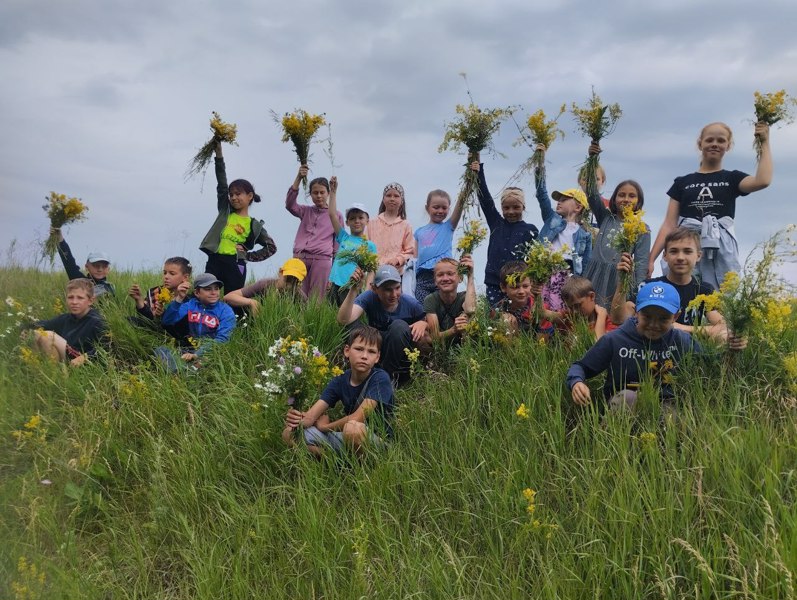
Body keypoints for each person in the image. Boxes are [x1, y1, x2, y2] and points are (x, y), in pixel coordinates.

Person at [566, 281, 746, 413]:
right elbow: (581, 366)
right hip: (624, 405)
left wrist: (732, 350)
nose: (654, 324)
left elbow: (710, 364)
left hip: (666, 404)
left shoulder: (680, 340)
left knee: (675, 416)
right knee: (628, 398)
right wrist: (577, 382)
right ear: (636, 311)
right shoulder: (616, 339)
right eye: (647, 316)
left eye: (663, 318)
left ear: (676, 316)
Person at [648, 122, 773, 289]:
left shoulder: (732, 178)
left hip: (720, 248)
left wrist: (764, 141)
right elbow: (669, 224)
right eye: (709, 140)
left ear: (728, 146)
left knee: (720, 298)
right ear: (700, 144)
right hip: (686, 249)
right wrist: (651, 259)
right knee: (685, 294)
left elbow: (763, 180)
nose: (715, 144)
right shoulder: (682, 182)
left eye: (721, 141)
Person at [282, 326, 394, 456]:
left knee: (352, 428)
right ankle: (336, 461)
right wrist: (296, 419)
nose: (364, 356)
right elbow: (311, 416)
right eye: (359, 349)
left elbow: (357, 418)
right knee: (288, 433)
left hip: (376, 441)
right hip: (347, 438)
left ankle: (363, 468)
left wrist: (325, 427)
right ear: (347, 351)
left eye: (371, 352)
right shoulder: (340, 380)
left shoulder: (380, 378)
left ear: (377, 357)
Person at [610, 228, 727, 340]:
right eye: (674, 251)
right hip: (651, 348)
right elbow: (618, 319)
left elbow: (722, 327)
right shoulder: (647, 286)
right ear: (665, 256)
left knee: (723, 336)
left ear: (698, 256)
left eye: (687, 251)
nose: (680, 257)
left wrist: (680, 328)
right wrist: (622, 281)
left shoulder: (704, 290)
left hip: (686, 352)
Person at [199, 143, 277, 293]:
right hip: (215, 260)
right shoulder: (225, 212)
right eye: (231, 194)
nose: (234, 197)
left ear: (249, 196)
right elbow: (222, 184)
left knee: (233, 300)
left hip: (236, 264)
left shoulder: (254, 225)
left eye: (238, 194)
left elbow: (271, 247)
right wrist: (219, 156)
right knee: (205, 296)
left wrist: (248, 255)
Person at [582, 144, 650, 309]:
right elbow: (591, 192)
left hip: (619, 278)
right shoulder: (605, 217)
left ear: (638, 201)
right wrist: (592, 159)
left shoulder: (642, 228)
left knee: (613, 317)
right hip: (594, 273)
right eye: (621, 195)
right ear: (614, 198)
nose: (626, 199)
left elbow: (641, 263)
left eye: (632, 196)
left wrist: (635, 293)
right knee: (587, 312)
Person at [337, 264, 428, 386]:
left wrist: (423, 323)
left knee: (399, 326)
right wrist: (353, 290)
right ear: (374, 289)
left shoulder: (411, 304)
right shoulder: (369, 297)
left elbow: (429, 325)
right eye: (387, 289)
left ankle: (386, 378)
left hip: (400, 353)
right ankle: (361, 371)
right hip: (376, 346)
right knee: (353, 327)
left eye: (397, 288)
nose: (394, 294)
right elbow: (344, 321)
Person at [470, 156, 539, 307]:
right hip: (495, 283)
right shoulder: (496, 223)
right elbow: (486, 201)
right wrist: (478, 173)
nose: (511, 211)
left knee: (520, 320)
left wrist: (533, 284)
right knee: (496, 320)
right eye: (506, 208)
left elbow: (535, 261)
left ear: (523, 207)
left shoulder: (531, 230)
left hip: (518, 286)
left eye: (516, 207)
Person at [533, 170, 593, 310]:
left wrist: (580, 285)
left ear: (578, 207)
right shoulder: (552, 220)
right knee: (542, 306)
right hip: (546, 271)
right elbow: (542, 195)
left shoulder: (585, 234)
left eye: (564, 199)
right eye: (558, 199)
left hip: (568, 275)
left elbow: (586, 263)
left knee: (562, 308)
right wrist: (540, 166)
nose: (558, 202)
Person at [156, 273, 236, 371]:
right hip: (188, 348)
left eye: (216, 288)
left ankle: (182, 372)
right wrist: (179, 299)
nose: (214, 292)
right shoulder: (190, 305)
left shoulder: (225, 310)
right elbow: (167, 322)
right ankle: (180, 371)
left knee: (205, 361)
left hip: (211, 351)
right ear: (197, 293)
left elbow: (223, 339)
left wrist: (197, 354)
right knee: (161, 350)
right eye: (208, 289)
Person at [285, 165, 343, 299]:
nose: (319, 196)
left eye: (322, 192)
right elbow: (289, 205)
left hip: (321, 260)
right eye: (315, 193)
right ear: (310, 194)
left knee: (316, 298)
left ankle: (314, 320)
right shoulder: (306, 211)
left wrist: (333, 274)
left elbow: (337, 246)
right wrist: (299, 178)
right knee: (297, 296)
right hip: (300, 258)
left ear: (328, 193)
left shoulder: (336, 215)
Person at [24, 278, 107, 367]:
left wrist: (85, 357)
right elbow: (44, 324)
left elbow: (107, 348)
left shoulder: (97, 321)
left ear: (90, 301)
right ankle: (39, 372)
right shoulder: (66, 318)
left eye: (80, 298)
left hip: (82, 362)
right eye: (70, 297)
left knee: (48, 336)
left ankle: (57, 377)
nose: (74, 302)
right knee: (35, 334)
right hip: (67, 359)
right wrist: (25, 329)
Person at [326, 177, 378, 306]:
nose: (357, 221)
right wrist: (333, 192)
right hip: (334, 284)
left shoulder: (369, 245)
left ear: (367, 220)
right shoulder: (344, 237)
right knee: (330, 315)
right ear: (347, 222)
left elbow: (372, 270)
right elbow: (332, 214)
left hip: (352, 287)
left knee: (347, 318)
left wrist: (367, 290)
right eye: (353, 218)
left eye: (361, 217)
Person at [413, 189, 465, 303]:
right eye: (436, 207)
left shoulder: (448, 226)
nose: (440, 211)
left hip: (443, 274)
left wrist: (467, 187)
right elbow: (415, 258)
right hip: (422, 277)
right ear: (427, 208)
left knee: (442, 307)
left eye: (444, 208)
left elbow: (460, 205)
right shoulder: (419, 232)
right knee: (423, 309)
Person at [128, 257, 192, 340]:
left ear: (185, 277)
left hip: (177, 337)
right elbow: (147, 320)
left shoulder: (190, 300)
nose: (166, 277)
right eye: (165, 273)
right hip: (155, 333)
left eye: (172, 274)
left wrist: (164, 314)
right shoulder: (155, 292)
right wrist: (139, 300)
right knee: (130, 320)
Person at [423, 256, 477, 346]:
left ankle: (466, 357)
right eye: (440, 275)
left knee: (467, 317)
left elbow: (470, 309)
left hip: (462, 344)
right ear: (435, 281)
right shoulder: (430, 299)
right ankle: (437, 359)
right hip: (441, 345)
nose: (445, 278)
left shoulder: (465, 296)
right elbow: (434, 336)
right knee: (424, 336)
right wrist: (453, 330)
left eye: (450, 274)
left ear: (460, 278)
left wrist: (470, 276)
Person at [543, 276, 616, 340]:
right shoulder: (569, 317)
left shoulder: (607, 323)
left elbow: (597, 347)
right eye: (570, 307)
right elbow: (542, 313)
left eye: (578, 305)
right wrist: (536, 292)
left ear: (591, 296)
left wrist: (601, 317)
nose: (574, 311)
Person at [224, 258, 308, 314]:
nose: (290, 285)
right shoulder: (265, 284)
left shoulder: (300, 297)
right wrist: (252, 302)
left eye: (295, 282)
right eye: (288, 279)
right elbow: (228, 297)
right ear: (280, 272)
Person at [491, 261, 553, 337]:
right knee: (506, 319)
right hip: (510, 346)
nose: (521, 291)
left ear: (532, 284)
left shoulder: (540, 308)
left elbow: (543, 342)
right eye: (515, 287)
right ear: (503, 287)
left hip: (535, 345)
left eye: (525, 286)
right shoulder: (497, 309)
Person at [367, 182, 416, 277]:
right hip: (373, 274)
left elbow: (410, 251)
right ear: (383, 199)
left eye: (396, 196)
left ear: (401, 200)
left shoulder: (406, 225)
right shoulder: (371, 223)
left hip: (395, 275)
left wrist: (397, 260)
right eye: (388, 195)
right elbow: (365, 246)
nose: (392, 199)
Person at [51, 228, 115, 297]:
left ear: (108, 269)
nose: (100, 269)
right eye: (96, 265)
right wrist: (59, 239)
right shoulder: (80, 281)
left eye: (104, 266)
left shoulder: (111, 287)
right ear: (87, 267)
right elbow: (69, 262)